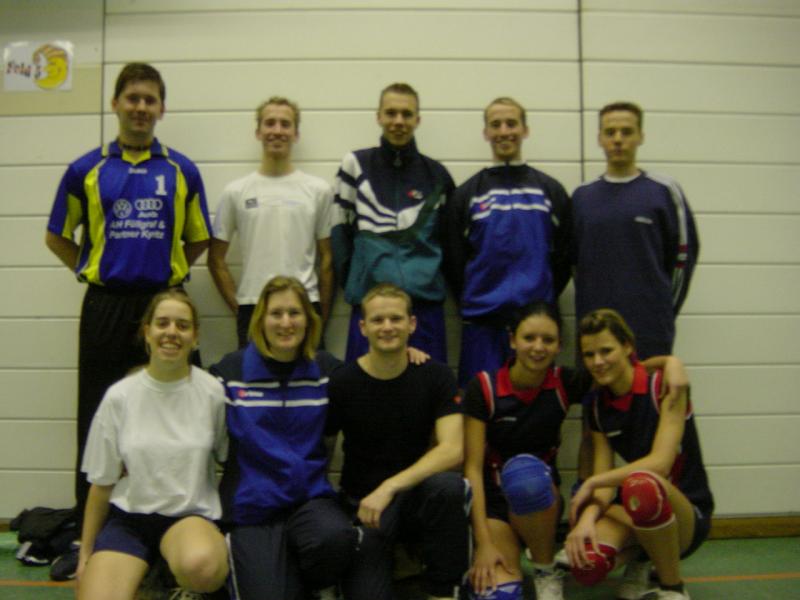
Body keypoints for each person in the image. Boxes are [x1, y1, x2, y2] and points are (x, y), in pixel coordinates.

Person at [44, 62, 212, 579]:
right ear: (115, 103)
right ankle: (88, 536)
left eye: (150, 99)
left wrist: (169, 276)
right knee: (98, 416)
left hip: (164, 305)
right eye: (132, 98)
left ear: (162, 109)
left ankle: (178, 525)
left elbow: (199, 239)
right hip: (106, 306)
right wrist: (92, 269)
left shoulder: (181, 170)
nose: (141, 108)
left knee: (178, 413)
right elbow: (56, 235)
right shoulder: (85, 169)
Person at [209, 276, 356, 600]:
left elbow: (374, 377)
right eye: (276, 313)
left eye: (294, 313)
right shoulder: (230, 372)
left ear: (309, 320)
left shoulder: (326, 370)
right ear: (261, 320)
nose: (286, 323)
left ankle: (315, 584)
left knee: (336, 537)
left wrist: (405, 353)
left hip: (308, 500)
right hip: (251, 508)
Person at [76, 289, 228, 600]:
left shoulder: (213, 393)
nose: (172, 332)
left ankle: (175, 575)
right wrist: (85, 554)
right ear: (147, 332)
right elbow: (101, 484)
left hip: (188, 517)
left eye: (182, 325)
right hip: (129, 521)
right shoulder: (119, 396)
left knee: (202, 566)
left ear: (195, 337)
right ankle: (149, 573)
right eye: (162, 323)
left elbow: (230, 460)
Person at [326, 283, 468, 600]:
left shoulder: (436, 376)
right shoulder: (342, 382)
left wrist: (389, 487)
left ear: (411, 324)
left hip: (415, 499)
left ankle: (443, 591)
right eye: (377, 320)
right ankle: (396, 559)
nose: (387, 327)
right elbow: (324, 449)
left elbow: (453, 450)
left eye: (396, 319)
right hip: (365, 506)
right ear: (363, 327)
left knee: (448, 487)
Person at [566, 309, 713, 600]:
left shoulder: (665, 386)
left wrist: (592, 482)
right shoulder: (597, 407)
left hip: (685, 514)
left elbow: (660, 463)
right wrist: (586, 520)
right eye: (589, 354)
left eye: (606, 350)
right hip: (637, 506)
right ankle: (642, 560)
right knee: (587, 564)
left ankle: (673, 588)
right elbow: (604, 482)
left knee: (642, 484)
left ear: (627, 346)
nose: (598, 362)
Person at [443, 97, 572, 386]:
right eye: (496, 124)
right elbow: (453, 260)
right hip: (482, 324)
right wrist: (478, 297)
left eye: (511, 123)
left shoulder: (550, 191)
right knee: (480, 403)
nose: (504, 131)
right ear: (486, 132)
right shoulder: (467, 195)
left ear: (525, 130)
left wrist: (540, 294)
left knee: (533, 406)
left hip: (536, 327)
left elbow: (564, 257)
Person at [332, 83, 455, 363]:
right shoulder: (355, 165)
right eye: (391, 113)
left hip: (424, 311)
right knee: (366, 389)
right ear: (378, 116)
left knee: (428, 387)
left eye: (406, 114)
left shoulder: (437, 175)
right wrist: (358, 283)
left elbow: (450, 244)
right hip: (370, 309)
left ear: (417, 119)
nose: (398, 121)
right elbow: (340, 234)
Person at [572, 101, 699, 359]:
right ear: (599, 138)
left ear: (641, 136)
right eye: (610, 132)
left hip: (649, 330)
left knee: (648, 387)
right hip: (595, 333)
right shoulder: (582, 197)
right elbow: (574, 263)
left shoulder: (664, 191)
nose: (618, 139)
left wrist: (663, 309)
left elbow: (683, 258)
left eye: (627, 132)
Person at [208, 97, 336, 348]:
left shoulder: (319, 191)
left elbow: (328, 260)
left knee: (309, 375)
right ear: (258, 132)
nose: (277, 130)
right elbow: (215, 259)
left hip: (304, 305)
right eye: (270, 123)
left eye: (285, 124)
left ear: (296, 134)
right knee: (253, 375)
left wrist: (319, 314)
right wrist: (241, 307)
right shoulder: (235, 192)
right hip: (253, 305)